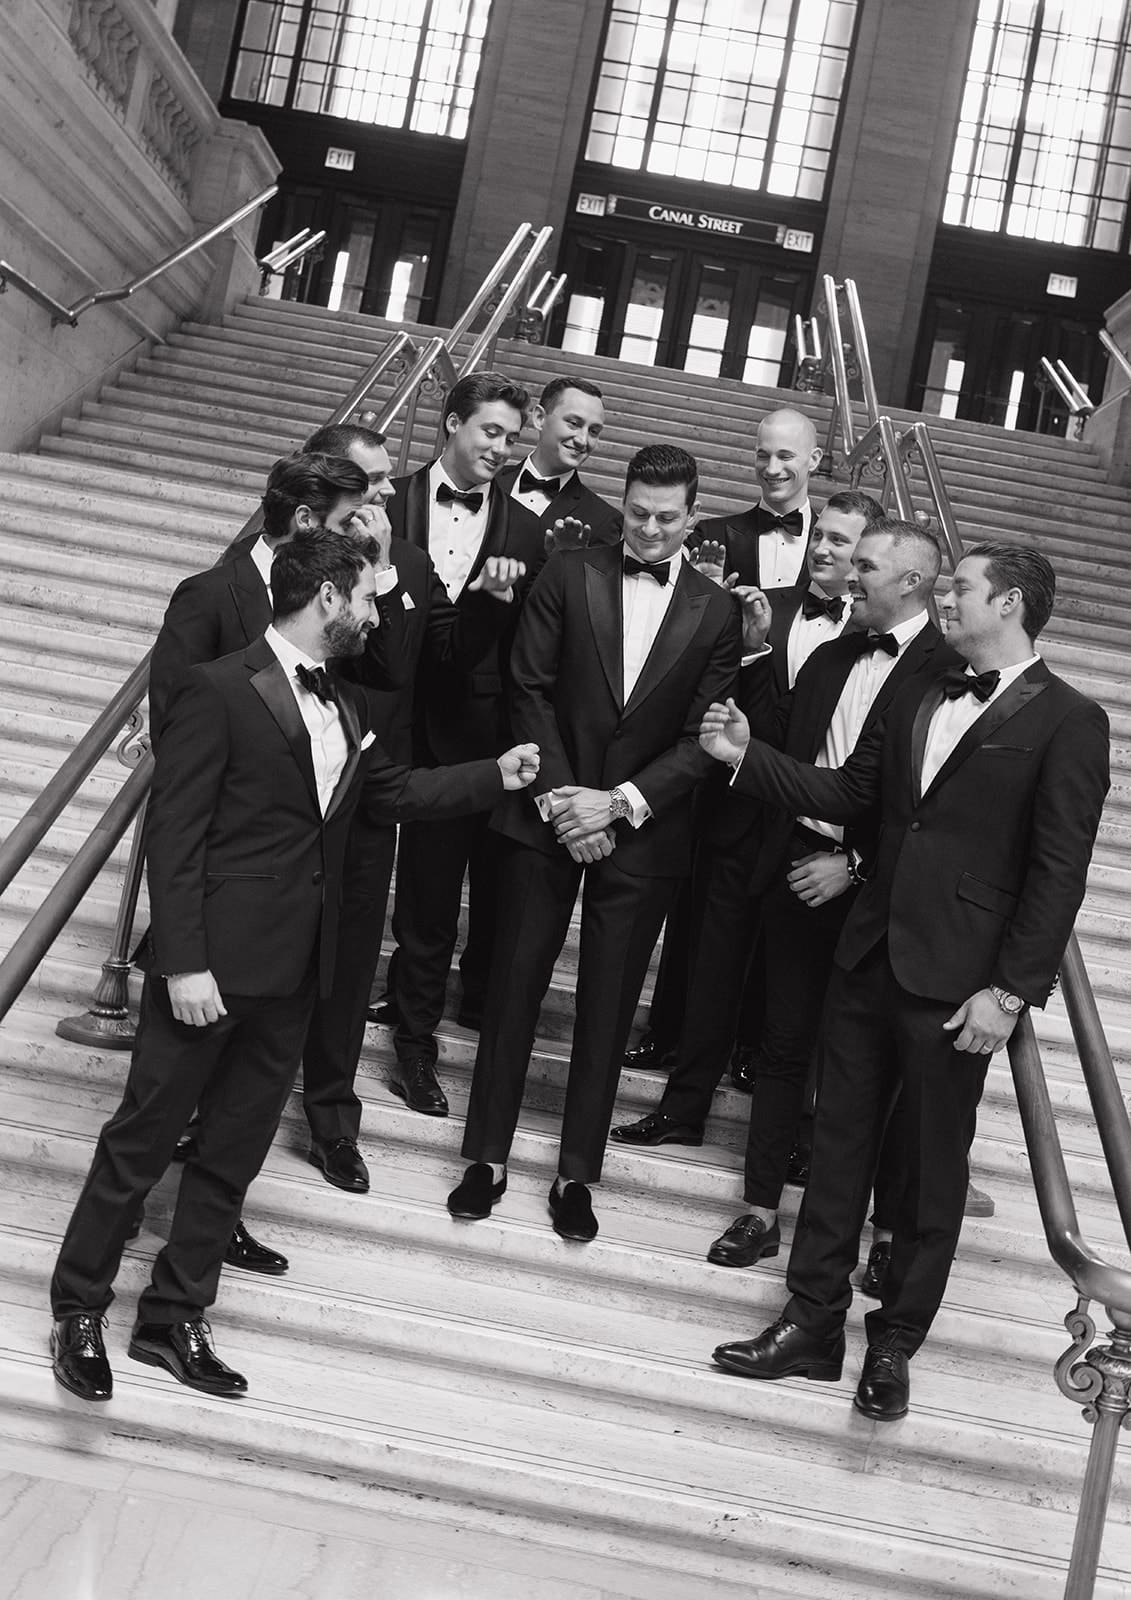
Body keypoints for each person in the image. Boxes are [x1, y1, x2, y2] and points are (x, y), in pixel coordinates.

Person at [49, 531, 539, 1403]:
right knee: (142, 1139)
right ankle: (79, 1305)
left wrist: (492, 775)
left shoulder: (348, 706)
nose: (372, 613)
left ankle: (173, 1316)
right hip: (211, 970)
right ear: (325, 599)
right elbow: (175, 834)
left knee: (232, 1152)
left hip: (296, 975)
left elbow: (390, 797)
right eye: (362, 598)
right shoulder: (216, 690)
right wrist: (185, 963)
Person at [698, 541, 1109, 1420]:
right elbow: (849, 792)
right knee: (838, 1149)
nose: (946, 599)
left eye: (961, 588)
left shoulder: (1069, 719)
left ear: (1009, 604)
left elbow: (1056, 872)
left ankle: (892, 1345)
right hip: (867, 954)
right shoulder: (921, 689)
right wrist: (745, 756)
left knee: (925, 1177)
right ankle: (809, 1325)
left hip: (958, 984)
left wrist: (1007, 993)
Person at [447, 444, 743, 1243]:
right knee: (513, 985)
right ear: (624, 501)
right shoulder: (567, 570)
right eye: (638, 513)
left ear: (693, 512)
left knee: (609, 1008)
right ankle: (487, 1158)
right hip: (546, 816)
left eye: (666, 518)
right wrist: (563, 805)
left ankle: (577, 1173)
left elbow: (702, 737)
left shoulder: (715, 611)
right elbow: (527, 688)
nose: (648, 530)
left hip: (640, 829)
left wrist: (613, 805)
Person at [611, 492, 889, 1158]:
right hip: (741, 820)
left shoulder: (885, 640)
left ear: (870, 557)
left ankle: (791, 1134)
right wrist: (755, 650)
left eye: (840, 541)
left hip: (819, 839)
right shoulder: (767, 607)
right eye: (817, 535)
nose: (821, 549)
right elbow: (745, 716)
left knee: (803, 1000)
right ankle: (683, 1107)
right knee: (710, 973)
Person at [296, 423, 527, 1190]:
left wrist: (389, 568)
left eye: (391, 479)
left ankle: (332, 1119)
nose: (391, 493)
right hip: (279, 805)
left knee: (349, 966)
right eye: (373, 482)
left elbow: (402, 668)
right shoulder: (264, 570)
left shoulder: (411, 563)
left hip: (369, 793)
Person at [623, 404, 825, 1075]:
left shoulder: (844, 544)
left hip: (805, 757)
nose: (771, 468)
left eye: (786, 456)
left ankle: (750, 1046)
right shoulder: (711, 533)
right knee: (697, 907)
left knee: (776, 917)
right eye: (762, 453)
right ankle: (670, 1029)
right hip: (721, 743)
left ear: (814, 460)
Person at [383, 373, 544, 1118]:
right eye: (489, 432)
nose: (501, 449)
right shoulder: (388, 502)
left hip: (468, 738)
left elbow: (515, 652)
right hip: (373, 721)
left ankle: (415, 1050)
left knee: (432, 906)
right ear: (451, 424)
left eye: (511, 438)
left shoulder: (524, 531)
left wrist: (490, 603)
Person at [148, 453, 371, 739]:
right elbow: (173, 716)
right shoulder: (208, 595)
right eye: (347, 522)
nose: (357, 533)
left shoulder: (342, 590)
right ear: (305, 518)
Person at [497, 376, 622, 546]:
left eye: (593, 431)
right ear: (540, 418)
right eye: (574, 423)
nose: (582, 440)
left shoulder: (604, 521)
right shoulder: (488, 479)